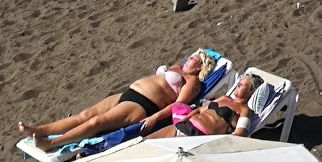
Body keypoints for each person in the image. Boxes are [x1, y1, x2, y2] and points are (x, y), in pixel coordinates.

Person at [19, 54, 209, 150]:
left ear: (200, 66)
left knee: (97, 122)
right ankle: (39, 130)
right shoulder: (177, 66)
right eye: (191, 56)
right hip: (129, 93)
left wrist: (156, 117)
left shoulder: (193, 82)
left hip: (143, 105)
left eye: (194, 59)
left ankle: (52, 144)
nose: (189, 59)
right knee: (85, 115)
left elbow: (178, 105)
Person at [149, 74, 263, 139]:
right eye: (239, 82)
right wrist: (184, 119)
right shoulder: (224, 98)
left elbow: (241, 133)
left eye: (242, 85)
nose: (237, 85)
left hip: (197, 136)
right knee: (144, 143)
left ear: (251, 90)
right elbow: (199, 109)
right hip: (184, 125)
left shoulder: (244, 110)